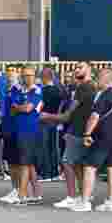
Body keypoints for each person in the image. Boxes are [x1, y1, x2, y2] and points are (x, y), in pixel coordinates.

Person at [43, 62, 96, 209]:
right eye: (76, 68)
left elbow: (67, 115)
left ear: (90, 70)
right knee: (78, 164)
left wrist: (48, 116)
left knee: (67, 162)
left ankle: (72, 196)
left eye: (81, 67)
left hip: (79, 131)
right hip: (81, 130)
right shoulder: (88, 87)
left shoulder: (84, 87)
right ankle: (82, 195)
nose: (77, 70)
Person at [79, 68, 112, 213]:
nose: (96, 79)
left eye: (98, 77)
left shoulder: (104, 95)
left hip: (102, 137)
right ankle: (111, 202)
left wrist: (87, 134)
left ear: (106, 79)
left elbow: (94, 116)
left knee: (90, 167)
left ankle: (85, 202)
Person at [7, 65, 43, 205]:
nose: (27, 78)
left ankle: (22, 196)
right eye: (24, 75)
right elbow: (13, 108)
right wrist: (20, 107)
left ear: (34, 76)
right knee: (29, 163)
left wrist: (20, 107)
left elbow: (28, 108)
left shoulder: (37, 90)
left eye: (30, 75)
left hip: (30, 131)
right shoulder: (18, 90)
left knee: (25, 164)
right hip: (19, 129)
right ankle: (37, 193)